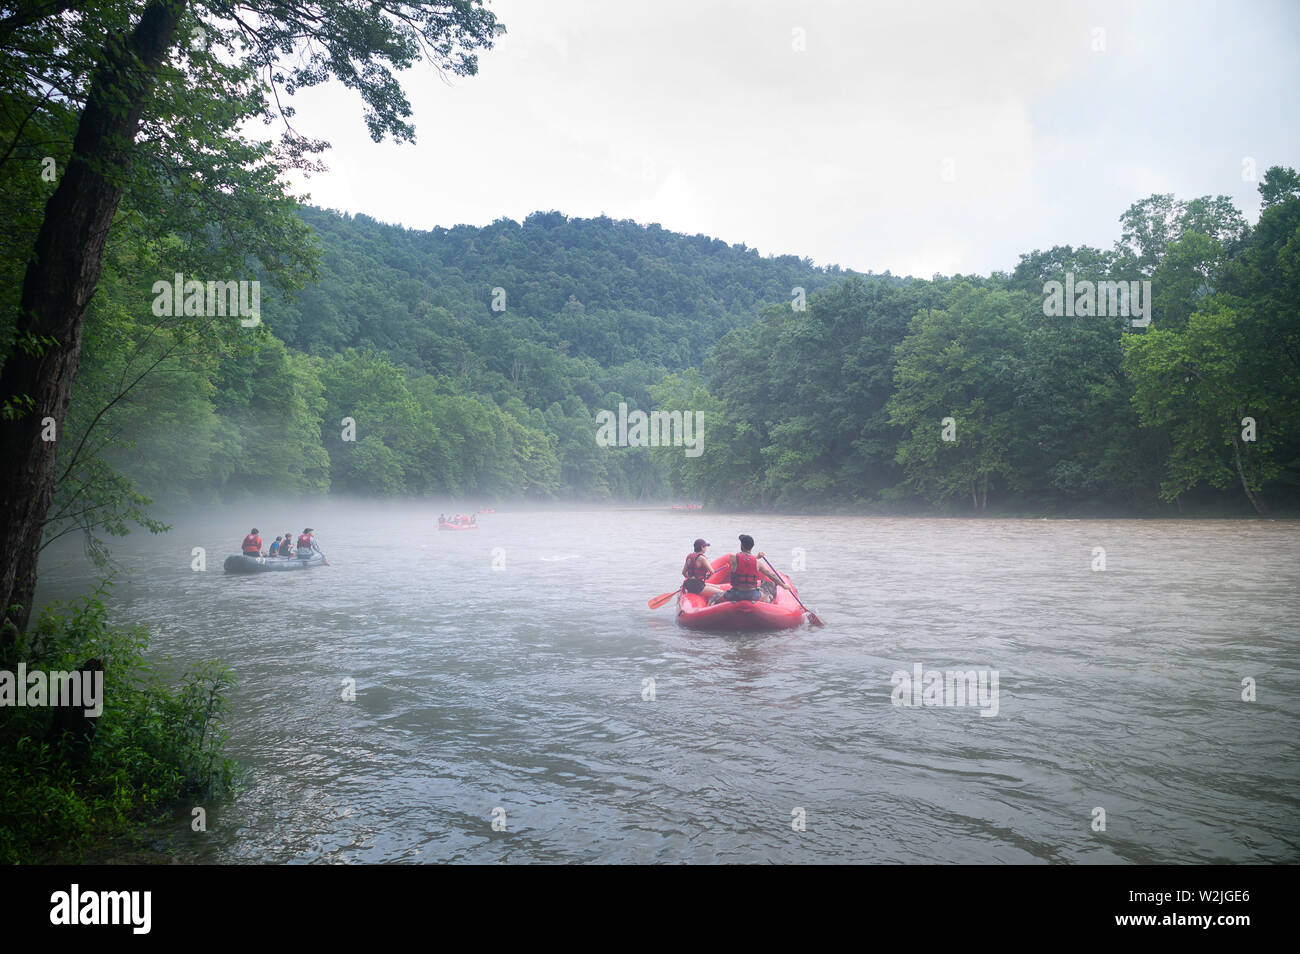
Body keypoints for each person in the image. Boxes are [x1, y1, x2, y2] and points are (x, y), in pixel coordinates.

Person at [719, 534, 790, 603]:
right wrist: (783, 585)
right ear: (752, 547)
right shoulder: (758, 563)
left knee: (716, 596)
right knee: (769, 597)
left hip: (735, 594)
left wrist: (756, 557)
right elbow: (771, 575)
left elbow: (744, 561)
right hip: (752, 595)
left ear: (741, 545)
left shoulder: (733, 558)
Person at [681, 538, 725, 602]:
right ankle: (711, 602)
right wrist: (708, 576)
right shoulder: (702, 558)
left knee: (718, 587)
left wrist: (691, 577)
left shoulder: (689, 556)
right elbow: (712, 571)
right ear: (702, 547)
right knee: (722, 593)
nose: (706, 549)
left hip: (689, 584)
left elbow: (683, 573)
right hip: (697, 586)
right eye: (705, 547)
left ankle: (711, 599)